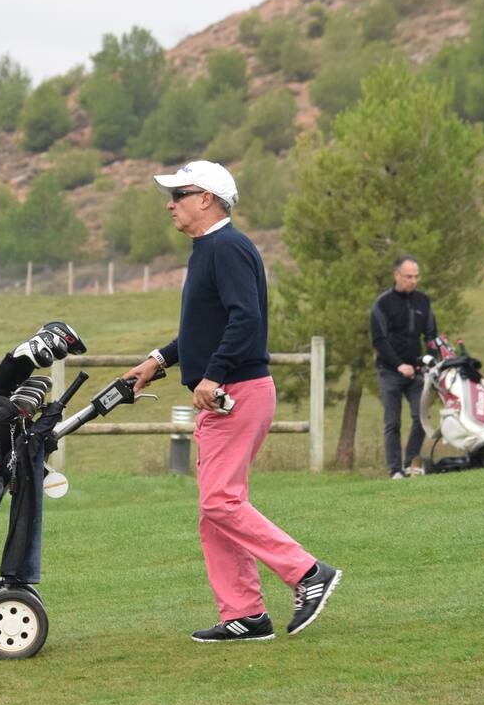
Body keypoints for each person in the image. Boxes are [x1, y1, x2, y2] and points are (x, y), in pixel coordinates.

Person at [123, 161, 342, 643]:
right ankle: (245, 614)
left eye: (179, 194)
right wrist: (158, 360)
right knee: (215, 508)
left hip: (235, 394)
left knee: (220, 500)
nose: (169, 203)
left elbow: (246, 321)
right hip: (227, 394)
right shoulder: (209, 249)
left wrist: (213, 375)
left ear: (207, 198)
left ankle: (307, 573)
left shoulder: (227, 247)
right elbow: (205, 329)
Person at [370, 257, 437, 479]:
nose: (413, 281)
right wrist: (399, 365)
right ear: (397, 275)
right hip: (390, 371)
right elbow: (379, 340)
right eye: (409, 276)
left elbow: (430, 336)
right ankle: (395, 470)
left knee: (421, 416)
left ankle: (410, 463)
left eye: (416, 276)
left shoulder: (423, 302)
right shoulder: (383, 303)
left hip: (417, 372)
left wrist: (430, 360)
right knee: (393, 421)